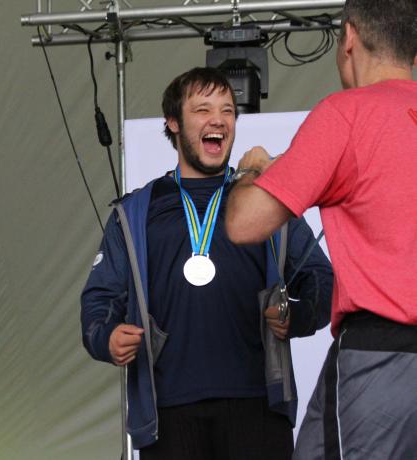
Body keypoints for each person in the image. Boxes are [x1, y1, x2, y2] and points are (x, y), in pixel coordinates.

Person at [81, 67, 333, 460]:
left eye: (228, 110)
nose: (218, 119)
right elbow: (100, 298)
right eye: (202, 109)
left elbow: (320, 278)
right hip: (167, 414)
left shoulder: (263, 199)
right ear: (173, 123)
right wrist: (106, 337)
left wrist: (297, 316)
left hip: (259, 407)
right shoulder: (133, 213)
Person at [225, 1, 417, 459]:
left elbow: (243, 222)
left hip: (381, 355)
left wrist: (253, 171)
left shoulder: (347, 114)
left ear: (349, 37)